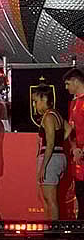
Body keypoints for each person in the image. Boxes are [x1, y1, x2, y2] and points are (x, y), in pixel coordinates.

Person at [33, 87, 66, 220]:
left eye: (36, 101)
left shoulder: (48, 117)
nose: (34, 105)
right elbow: (68, 129)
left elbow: (50, 143)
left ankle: (53, 233)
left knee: (50, 199)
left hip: (51, 159)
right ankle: (52, 230)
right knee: (49, 199)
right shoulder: (56, 114)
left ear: (44, 99)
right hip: (58, 157)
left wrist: (43, 167)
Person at [64, 68, 84, 219]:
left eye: (68, 83)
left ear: (76, 81)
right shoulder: (73, 103)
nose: (66, 88)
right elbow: (71, 129)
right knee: (80, 191)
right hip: (79, 156)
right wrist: (74, 147)